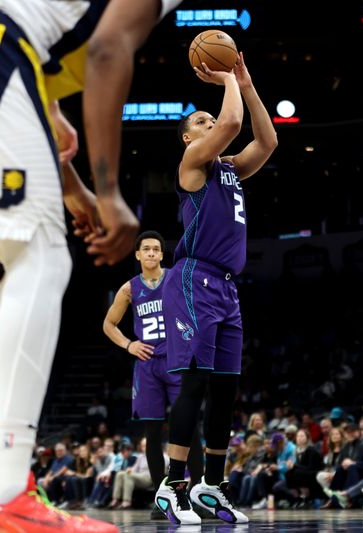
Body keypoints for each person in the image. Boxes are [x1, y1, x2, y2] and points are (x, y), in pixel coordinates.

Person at [0, 0, 188, 531]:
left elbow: (46, 58)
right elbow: (106, 51)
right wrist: (108, 192)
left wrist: (75, 186)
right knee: (45, 258)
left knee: (25, 261)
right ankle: (6, 489)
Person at [154, 52, 278, 526]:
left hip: (226, 288)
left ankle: (213, 486)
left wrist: (245, 83)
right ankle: (174, 484)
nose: (213, 123)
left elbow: (266, 139)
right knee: (197, 380)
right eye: (201, 121)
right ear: (190, 137)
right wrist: (227, 78)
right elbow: (230, 123)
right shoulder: (193, 162)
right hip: (192, 279)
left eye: (210, 119)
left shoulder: (230, 168)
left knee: (225, 389)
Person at [102, 230, 203, 518]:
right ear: (137, 254)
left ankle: (197, 494)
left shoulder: (175, 278)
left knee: (188, 428)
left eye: (155, 249)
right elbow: (109, 324)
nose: (150, 253)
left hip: (175, 360)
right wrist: (129, 344)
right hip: (146, 364)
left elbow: (197, 310)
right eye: (145, 249)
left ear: (161, 254)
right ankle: (163, 499)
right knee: (153, 430)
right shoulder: (129, 289)